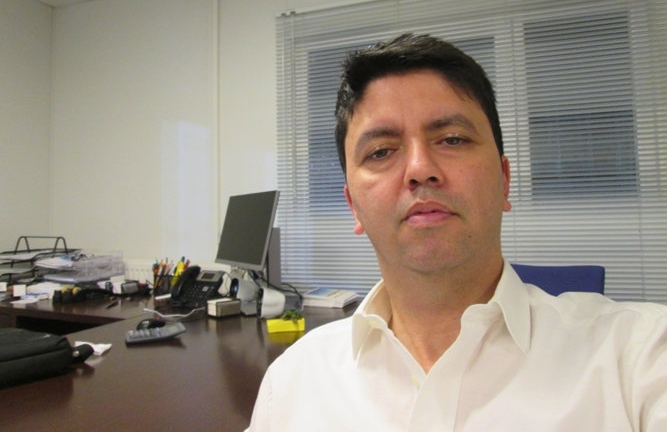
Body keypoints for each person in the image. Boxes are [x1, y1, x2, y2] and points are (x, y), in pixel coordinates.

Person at [246, 34, 667, 431]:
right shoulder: (292, 384)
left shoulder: (641, 357)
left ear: (504, 181)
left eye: (452, 139)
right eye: (381, 151)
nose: (419, 169)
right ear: (353, 205)